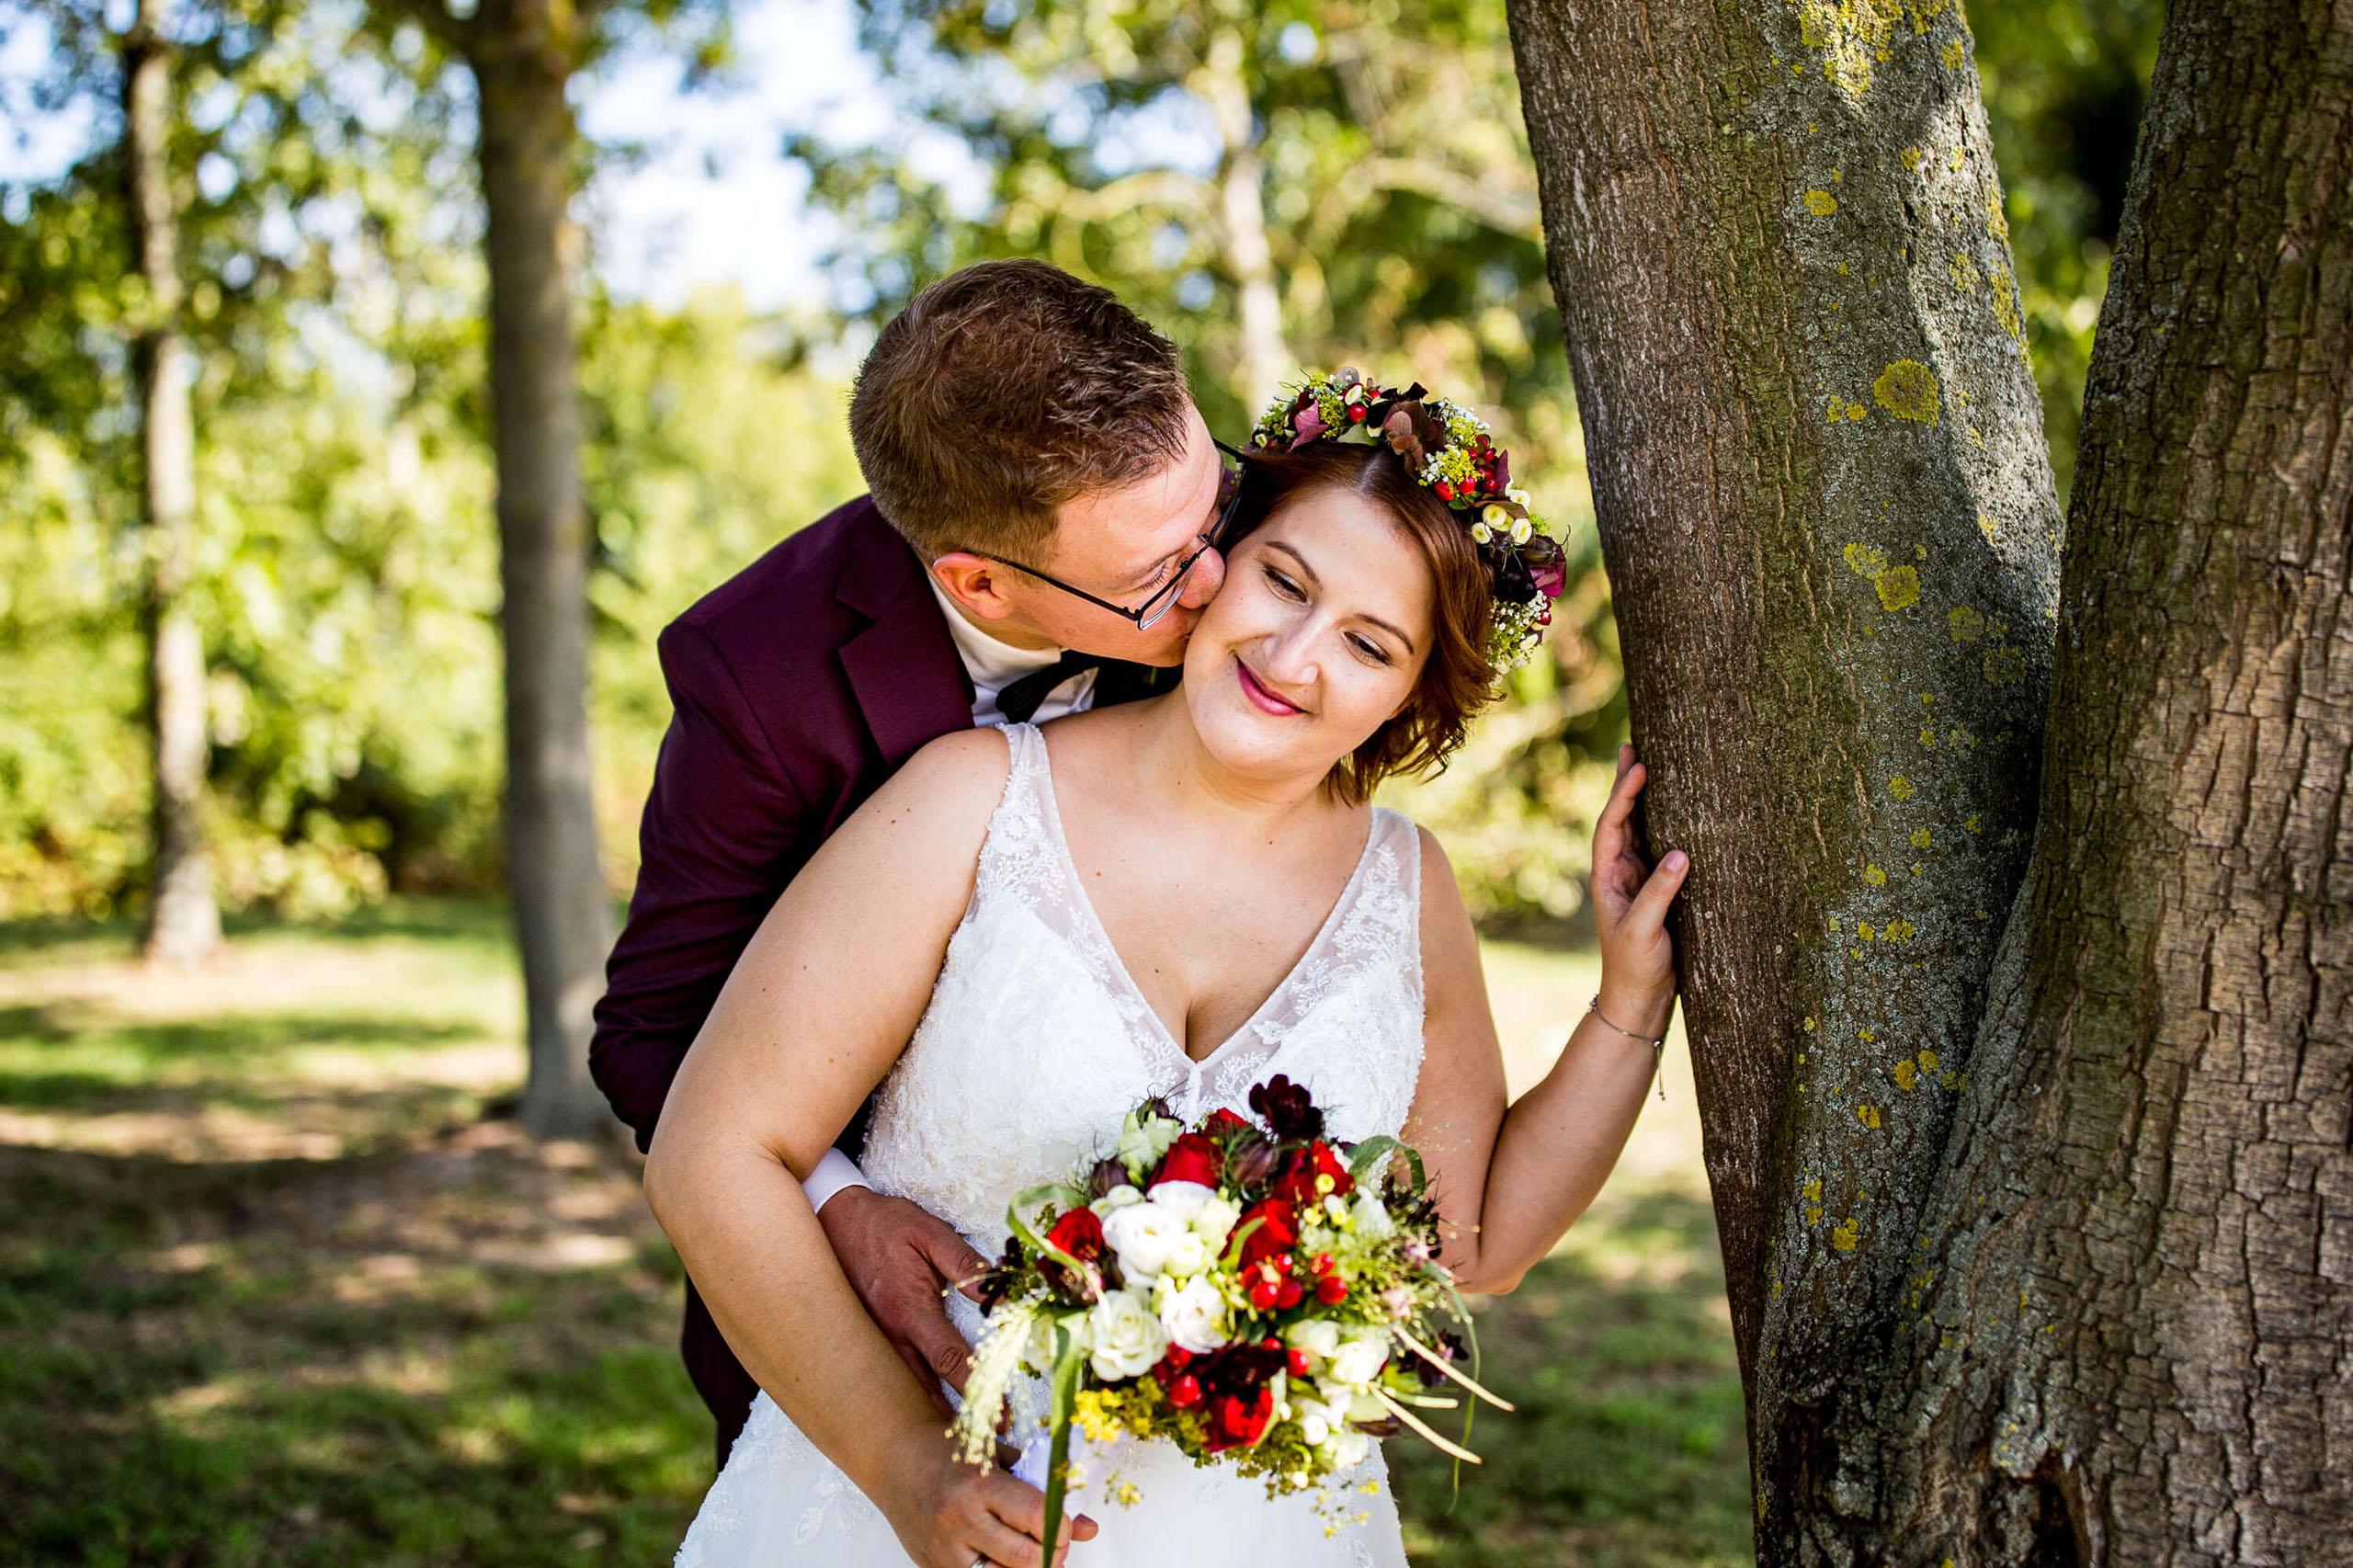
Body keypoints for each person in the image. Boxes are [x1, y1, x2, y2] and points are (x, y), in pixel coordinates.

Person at [644, 374, 1691, 1567]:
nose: (1294, 655)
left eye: (1368, 641)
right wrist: (901, 1462)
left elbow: (1476, 1243)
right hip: (899, 1518)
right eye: (1284, 581)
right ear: (1217, 560)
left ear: (1414, 690)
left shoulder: (1408, 887)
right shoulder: (970, 800)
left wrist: (1629, 995)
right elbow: (712, 1150)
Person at [590, 260, 1233, 1466]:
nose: (1222, 584)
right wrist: (838, 1202)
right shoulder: (759, 676)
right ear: (977, 581)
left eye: (1218, 512)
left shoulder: (1196, 530)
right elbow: (651, 1030)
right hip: (892, 1318)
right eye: (1158, 580)